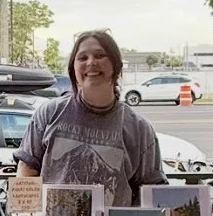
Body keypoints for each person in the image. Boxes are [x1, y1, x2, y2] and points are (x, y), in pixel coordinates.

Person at [17, 30, 164, 206]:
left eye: (100, 55)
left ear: (115, 65)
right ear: (73, 68)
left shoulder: (139, 129)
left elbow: (151, 193)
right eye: (82, 58)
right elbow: (26, 174)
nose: (91, 62)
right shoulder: (49, 113)